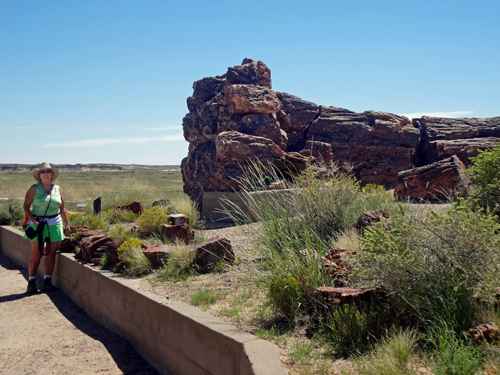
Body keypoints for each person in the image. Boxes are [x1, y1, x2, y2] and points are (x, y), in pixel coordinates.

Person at [23, 162, 70, 293]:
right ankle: (31, 282)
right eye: (43, 172)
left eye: (48, 171)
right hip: (37, 224)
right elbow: (26, 206)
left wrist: (67, 223)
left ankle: (47, 282)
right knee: (36, 255)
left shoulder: (58, 189)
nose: (45, 174)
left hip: (55, 223)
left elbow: (62, 208)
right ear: (39, 175)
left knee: (51, 254)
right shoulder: (34, 188)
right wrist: (32, 220)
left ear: (51, 174)